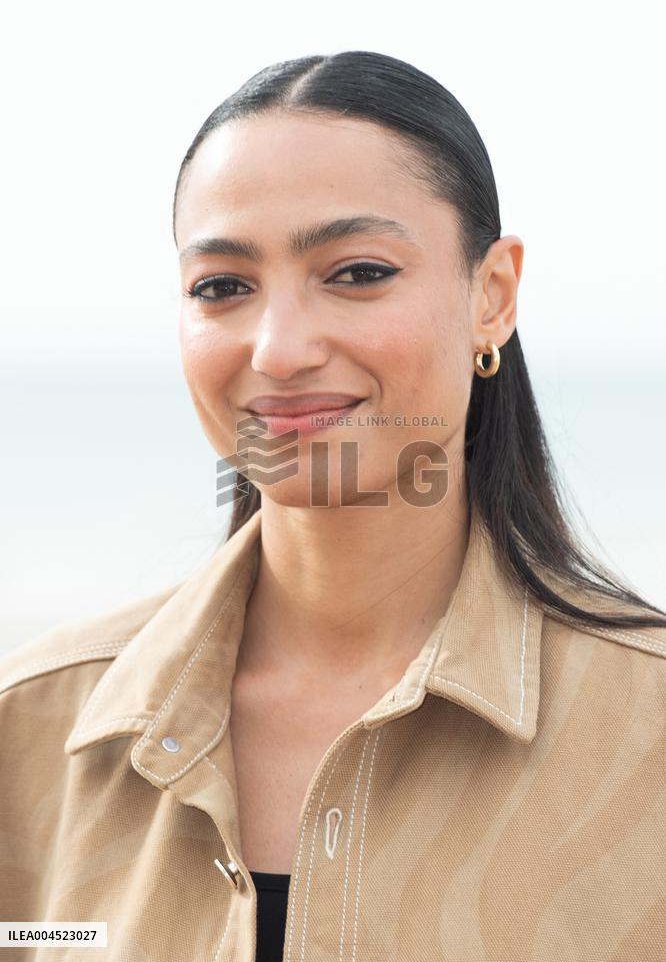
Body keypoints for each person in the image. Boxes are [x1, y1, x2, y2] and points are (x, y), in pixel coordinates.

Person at [1, 51, 665, 962]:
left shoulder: (648, 735)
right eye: (223, 287)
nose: (277, 349)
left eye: (356, 272)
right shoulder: (31, 736)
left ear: (493, 296)